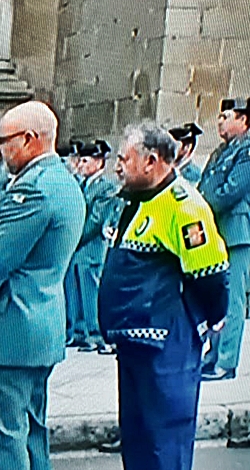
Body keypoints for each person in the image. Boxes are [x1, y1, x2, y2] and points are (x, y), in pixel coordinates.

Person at [0, 101, 85, 470]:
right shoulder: (65, 182)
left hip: (10, 333)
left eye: (4, 141)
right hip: (41, 329)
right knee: (31, 438)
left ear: (30, 140)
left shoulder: (32, 190)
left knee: (1, 446)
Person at [99, 122, 229, 470]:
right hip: (136, 344)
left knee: (164, 442)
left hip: (165, 346)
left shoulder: (185, 207)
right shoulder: (139, 201)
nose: (118, 166)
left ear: (152, 160)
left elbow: (211, 276)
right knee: (138, 440)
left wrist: (210, 320)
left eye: (125, 158)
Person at [199, 98, 250, 381]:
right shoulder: (220, 151)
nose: (220, 121)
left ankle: (226, 362)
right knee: (217, 300)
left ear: (243, 121)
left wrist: (204, 205)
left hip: (236, 234)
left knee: (233, 301)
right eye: (219, 116)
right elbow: (205, 184)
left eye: (226, 116)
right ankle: (212, 356)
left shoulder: (247, 151)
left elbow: (232, 190)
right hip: (216, 232)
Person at [64, 140, 121, 354]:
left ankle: (97, 333)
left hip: (90, 247)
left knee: (90, 292)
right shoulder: (81, 185)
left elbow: (95, 220)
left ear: (98, 163)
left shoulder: (105, 188)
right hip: (77, 248)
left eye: (86, 161)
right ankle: (78, 332)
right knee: (74, 289)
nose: (80, 164)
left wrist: (75, 238)